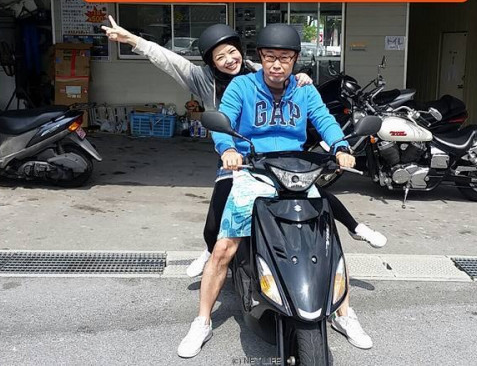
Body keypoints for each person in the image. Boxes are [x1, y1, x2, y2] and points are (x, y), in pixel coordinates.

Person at [101, 17, 386, 278]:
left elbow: (285, 73)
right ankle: (211, 251)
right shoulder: (203, 80)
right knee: (219, 211)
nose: (229, 60)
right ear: (211, 62)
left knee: (312, 192)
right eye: (220, 57)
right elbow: (168, 60)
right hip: (236, 155)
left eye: (232, 52)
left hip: (276, 157)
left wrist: (303, 79)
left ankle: (353, 228)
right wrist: (132, 40)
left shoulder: (257, 70)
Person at [177, 24, 374, 359]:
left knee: (327, 241)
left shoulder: (304, 90)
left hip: (297, 172)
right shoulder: (242, 86)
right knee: (223, 248)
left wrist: (341, 146)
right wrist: (228, 149)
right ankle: (202, 320)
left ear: (295, 59)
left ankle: (343, 314)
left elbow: (324, 120)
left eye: (285, 58)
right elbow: (224, 121)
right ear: (260, 57)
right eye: (270, 57)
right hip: (253, 171)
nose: (277, 65)